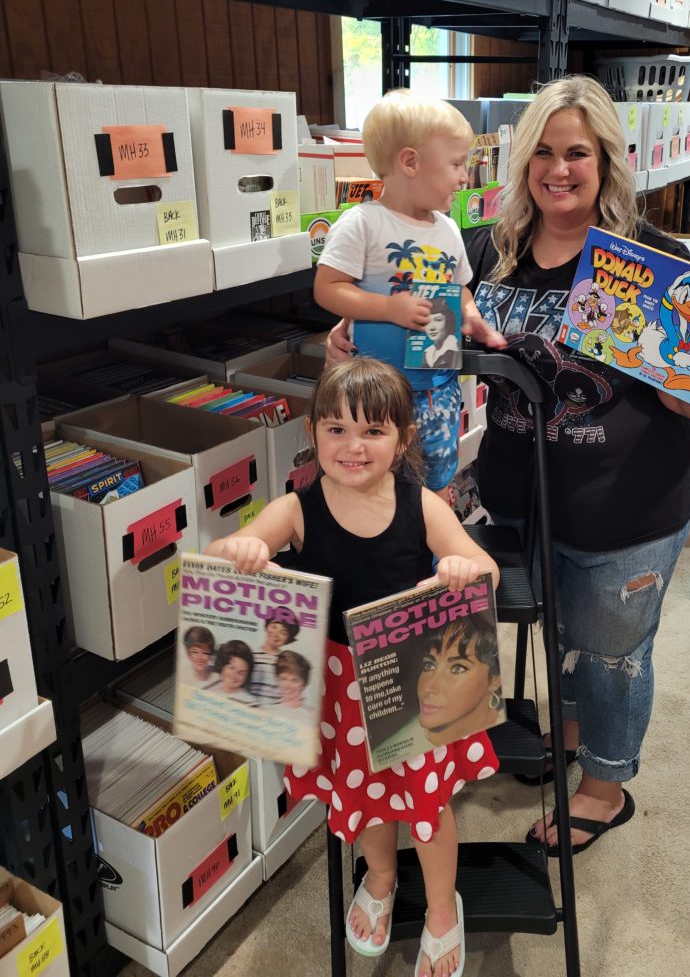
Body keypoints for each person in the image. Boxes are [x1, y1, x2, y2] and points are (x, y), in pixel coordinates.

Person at [329, 74, 690, 859]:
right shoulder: (483, 248)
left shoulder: (653, 260)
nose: (560, 169)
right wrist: (355, 335)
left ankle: (604, 786)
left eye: (578, 153)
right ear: (522, 163)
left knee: (613, 655)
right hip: (514, 497)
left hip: (627, 506)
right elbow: (421, 340)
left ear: (606, 162)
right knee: (562, 635)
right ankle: (566, 740)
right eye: (544, 153)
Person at [206, 356, 500, 977]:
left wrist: (462, 568)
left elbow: (486, 569)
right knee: (367, 799)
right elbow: (220, 553)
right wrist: (244, 546)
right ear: (312, 433)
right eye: (336, 429)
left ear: (403, 438)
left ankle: (443, 909)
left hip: (411, 681)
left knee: (426, 806)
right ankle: (383, 877)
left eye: (373, 431)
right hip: (340, 688)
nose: (353, 446)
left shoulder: (425, 507)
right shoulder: (297, 507)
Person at [313, 88, 504, 502]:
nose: (463, 177)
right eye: (455, 164)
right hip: (376, 392)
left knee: (434, 480)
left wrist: (470, 315)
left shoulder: (448, 229)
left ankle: (432, 554)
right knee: (374, 483)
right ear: (410, 162)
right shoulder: (362, 223)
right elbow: (327, 288)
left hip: (438, 384)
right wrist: (387, 307)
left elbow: (459, 288)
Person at [371, 610, 504, 767]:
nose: (429, 686)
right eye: (429, 665)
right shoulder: (390, 750)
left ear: (495, 680)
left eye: (457, 668)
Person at [250, 613, 300, 705]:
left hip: (276, 710)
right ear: (267, 626)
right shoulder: (251, 655)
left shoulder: (287, 662)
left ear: (288, 639)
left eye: (283, 632)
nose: (276, 634)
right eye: (273, 627)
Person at [204, 639, 257, 704]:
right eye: (231, 668)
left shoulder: (250, 702)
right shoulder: (205, 687)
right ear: (223, 665)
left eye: (241, 673)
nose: (234, 675)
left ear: (246, 676)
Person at [274, 650, 316, 724]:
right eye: (283, 678)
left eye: (294, 680)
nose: (287, 685)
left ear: (303, 684)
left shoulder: (312, 716)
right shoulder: (269, 710)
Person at [422, 297, 462, 369]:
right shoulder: (428, 352)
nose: (431, 327)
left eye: (438, 320)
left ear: (448, 322)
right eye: (427, 321)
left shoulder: (455, 350)